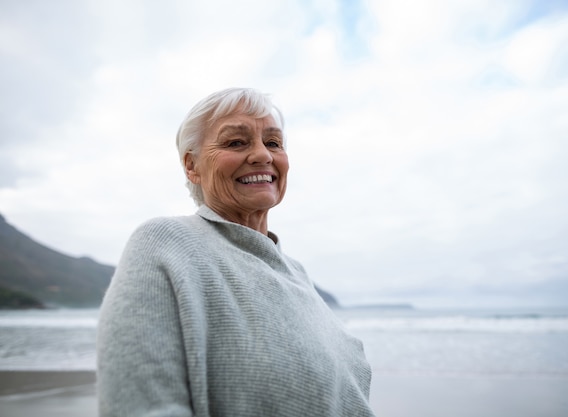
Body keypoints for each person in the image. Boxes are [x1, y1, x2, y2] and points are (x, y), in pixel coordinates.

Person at [97, 87, 376, 416]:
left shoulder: (296, 272)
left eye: (273, 142)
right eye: (235, 142)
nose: (263, 155)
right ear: (192, 166)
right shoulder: (165, 242)